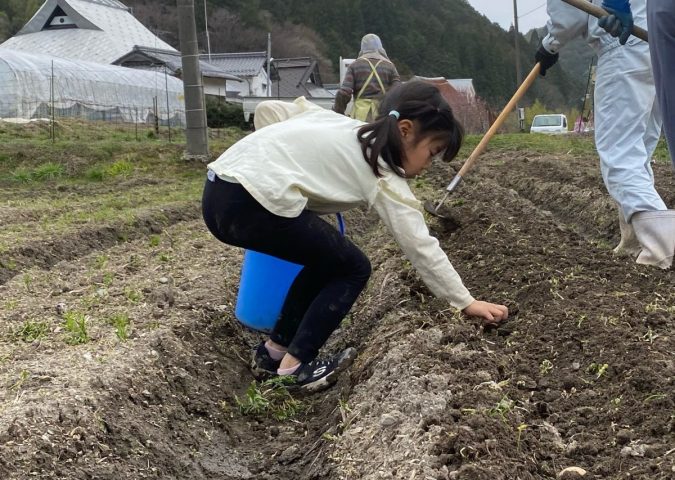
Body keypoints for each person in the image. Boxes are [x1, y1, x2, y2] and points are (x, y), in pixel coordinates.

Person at [202, 81, 508, 392]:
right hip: (250, 203)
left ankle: (274, 354)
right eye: (432, 153)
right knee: (354, 267)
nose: (428, 165)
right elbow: (420, 246)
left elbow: (271, 110)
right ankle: (295, 367)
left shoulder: (339, 123)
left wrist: (276, 161)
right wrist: (465, 302)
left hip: (219, 188)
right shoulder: (381, 174)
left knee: (327, 260)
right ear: (405, 130)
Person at [535, 0, 674, 269]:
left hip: (623, 42)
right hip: (658, 37)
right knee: (639, 151)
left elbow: (567, 16)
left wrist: (549, 45)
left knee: (619, 154)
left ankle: (666, 244)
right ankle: (633, 240)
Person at [333, 33, 401, 122]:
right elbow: (398, 92)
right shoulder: (390, 66)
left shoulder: (355, 65)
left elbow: (344, 93)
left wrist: (339, 113)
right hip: (382, 117)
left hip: (359, 117)